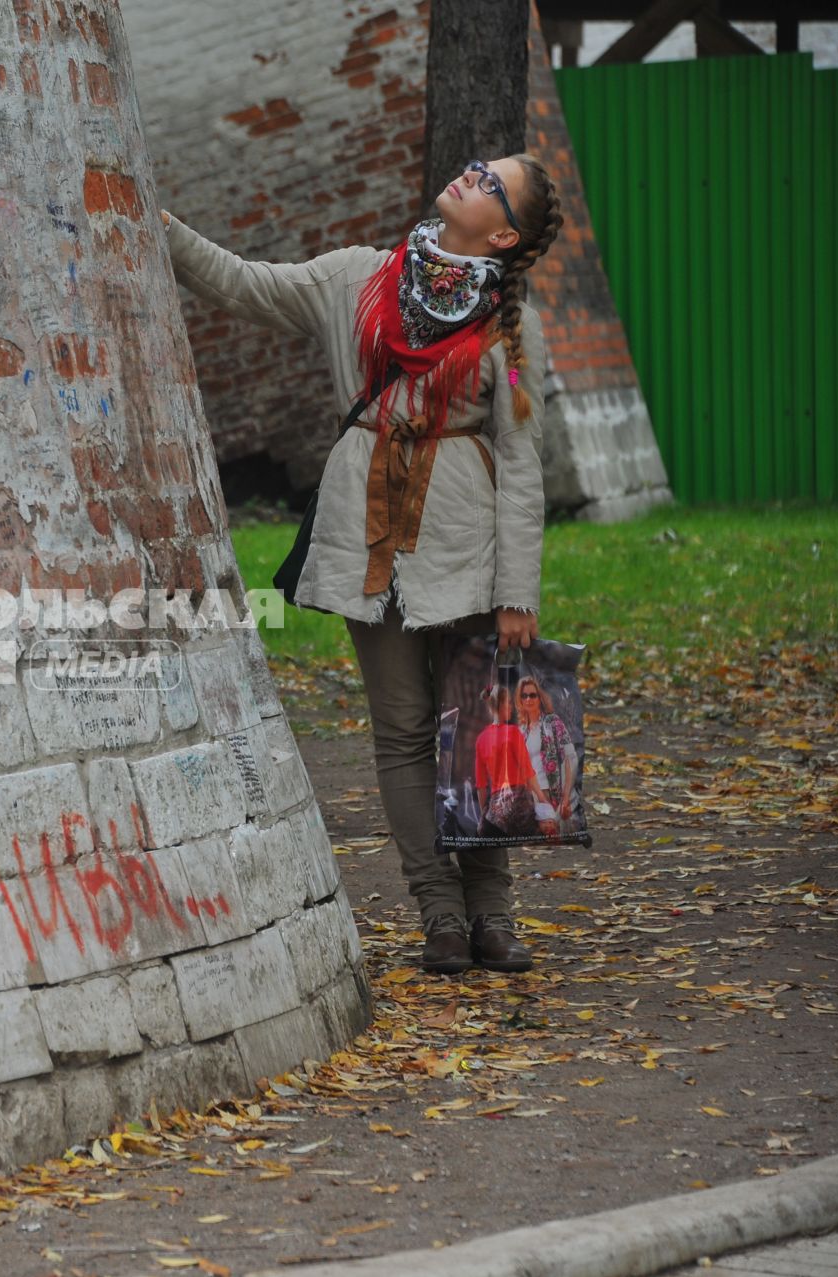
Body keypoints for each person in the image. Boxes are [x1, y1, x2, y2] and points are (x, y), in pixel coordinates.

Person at [162, 154, 563, 975]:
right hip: (364, 537)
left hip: (466, 548)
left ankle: (493, 912)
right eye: (479, 166)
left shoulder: (514, 331)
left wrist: (517, 591)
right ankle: (441, 914)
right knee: (405, 731)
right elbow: (245, 283)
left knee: (478, 731)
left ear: (503, 233)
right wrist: (161, 230)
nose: (472, 173)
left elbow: (523, 464)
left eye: (492, 182)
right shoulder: (357, 277)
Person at [474, 684, 550, 838]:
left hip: (497, 811)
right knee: (544, 829)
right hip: (520, 803)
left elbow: (481, 786)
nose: (511, 707)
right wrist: (543, 799)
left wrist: (484, 816)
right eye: (508, 702)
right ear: (499, 705)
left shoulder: (481, 739)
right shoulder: (513, 732)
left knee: (487, 832)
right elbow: (528, 771)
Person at [516, 674, 576, 834]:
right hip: (528, 795)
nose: (528, 699)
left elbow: (570, 758)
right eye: (524, 695)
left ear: (540, 698)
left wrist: (566, 796)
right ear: (520, 700)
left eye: (533, 695)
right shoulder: (520, 730)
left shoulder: (552, 723)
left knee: (556, 838)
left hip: (551, 792)